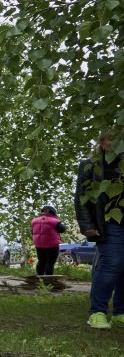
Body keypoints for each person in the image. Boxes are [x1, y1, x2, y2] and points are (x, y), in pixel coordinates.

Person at [74, 131, 124, 329]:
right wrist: (87, 225)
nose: (117, 143)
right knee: (113, 263)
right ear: (102, 142)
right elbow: (81, 197)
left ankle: (120, 312)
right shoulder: (90, 165)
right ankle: (97, 312)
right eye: (111, 139)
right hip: (108, 222)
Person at [30, 205, 65, 276]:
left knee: (41, 260)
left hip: (39, 244)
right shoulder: (54, 221)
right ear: (53, 212)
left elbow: (32, 232)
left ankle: (39, 277)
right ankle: (48, 278)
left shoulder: (34, 221)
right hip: (52, 244)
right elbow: (62, 229)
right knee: (50, 261)